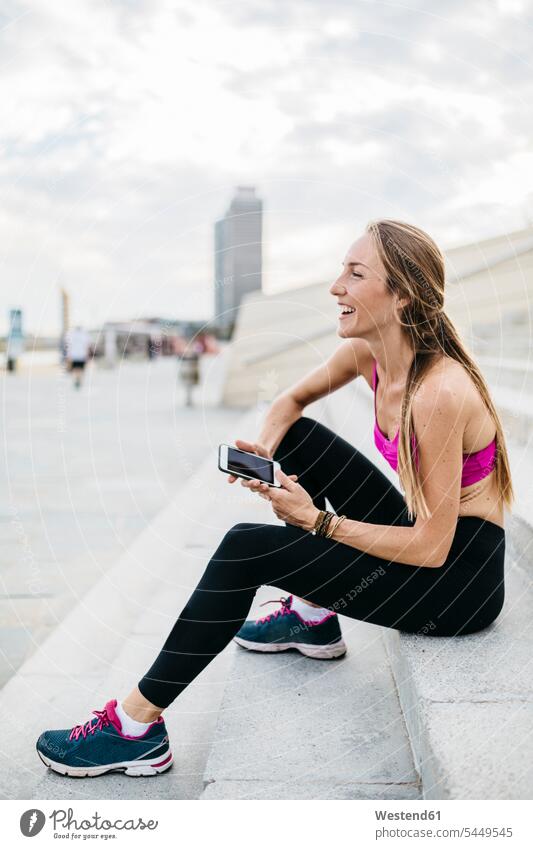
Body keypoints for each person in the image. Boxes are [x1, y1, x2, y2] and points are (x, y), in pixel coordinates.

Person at [36, 219, 514, 778]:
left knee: (245, 548)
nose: (336, 286)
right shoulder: (372, 355)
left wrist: (317, 523)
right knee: (297, 435)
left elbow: (433, 548)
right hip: (434, 538)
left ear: (402, 296)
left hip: (458, 586)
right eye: (341, 270)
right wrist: (264, 450)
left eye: (355, 274)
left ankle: (136, 727)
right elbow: (290, 401)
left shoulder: (439, 393)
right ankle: (312, 616)